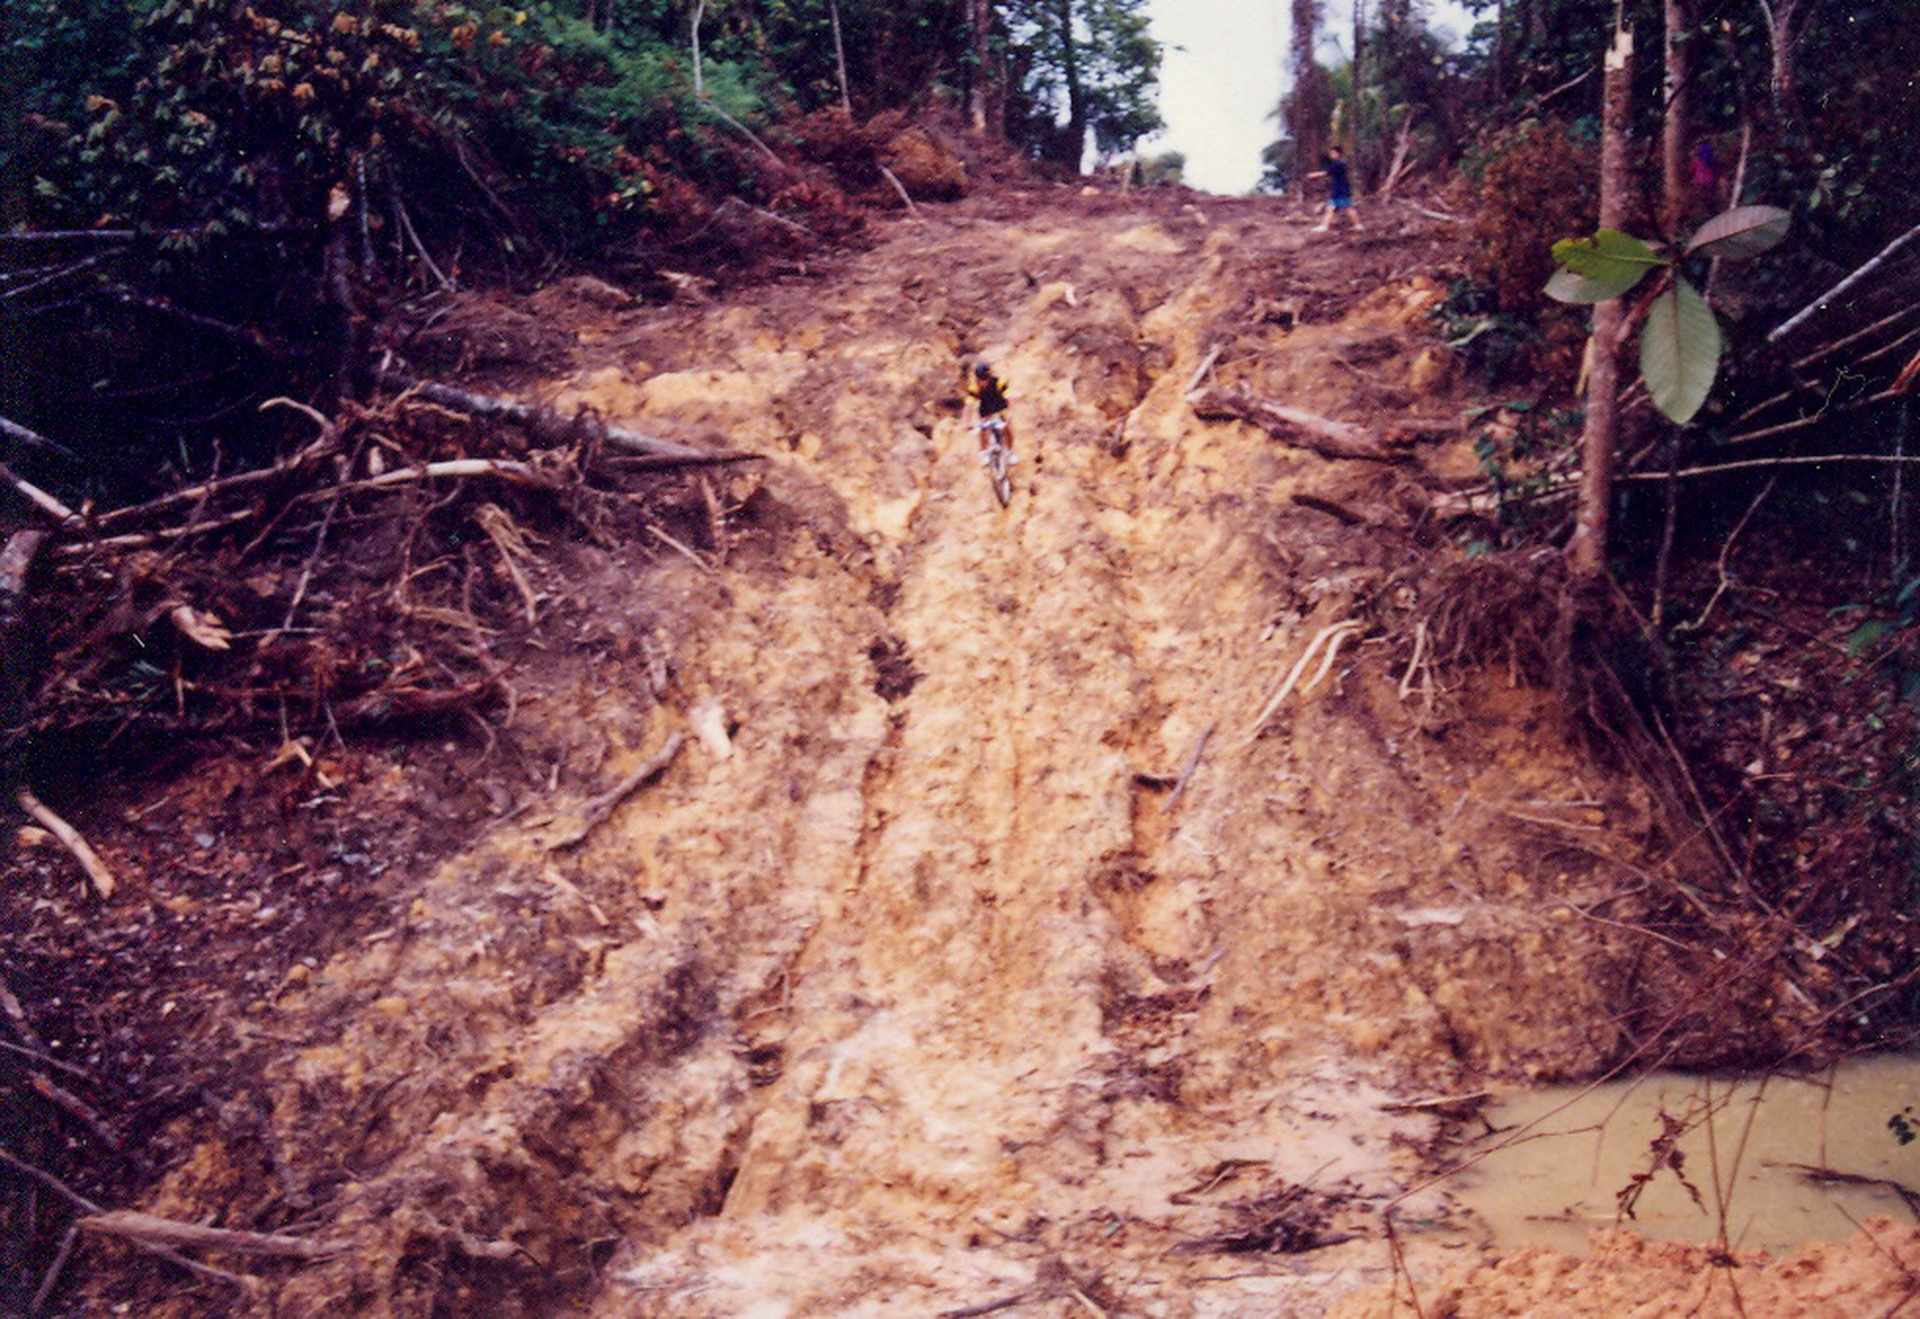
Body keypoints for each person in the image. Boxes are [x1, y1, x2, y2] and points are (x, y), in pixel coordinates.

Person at [968, 362, 1015, 464]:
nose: (983, 382)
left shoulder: (998, 382)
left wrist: (1010, 412)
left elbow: (1009, 397)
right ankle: (983, 452)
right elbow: (969, 406)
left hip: (1000, 405)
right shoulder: (974, 387)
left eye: (985, 379)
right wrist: (966, 421)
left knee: (1006, 426)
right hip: (985, 408)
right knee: (982, 428)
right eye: (980, 379)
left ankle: (1010, 452)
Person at [1309, 145, 1362, 233]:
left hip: (1340, 190)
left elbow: (1326, 173)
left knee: (1342, 208)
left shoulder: (1339, 164)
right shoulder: (1339, 163)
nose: (1331, 155)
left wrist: (1314, 175)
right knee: (1340, 208)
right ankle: (1357, 225)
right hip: (1340, 189)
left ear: (1339, 154)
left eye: (1333, 153)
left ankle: (1324, 226)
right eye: (1330, 153)